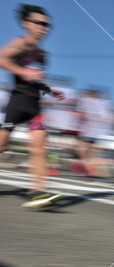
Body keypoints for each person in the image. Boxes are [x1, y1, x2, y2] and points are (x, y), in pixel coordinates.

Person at [0, 4, 64, 208]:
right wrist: (22, 72)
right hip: (17, 103)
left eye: (47, 25)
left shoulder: (42, 54)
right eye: (39, 23)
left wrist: (49, 89)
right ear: (25, 24)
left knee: (39, 149)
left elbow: (35, 78)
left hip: (34, 106)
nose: (43, 27)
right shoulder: (21, 43)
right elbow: (2, 59)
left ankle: (36, 192)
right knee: (1, 145)